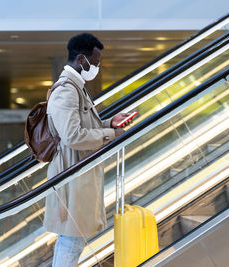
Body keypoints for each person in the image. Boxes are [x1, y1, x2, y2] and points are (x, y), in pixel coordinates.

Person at [44, 33, 133, 266]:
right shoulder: (67, 90)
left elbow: (82, 127)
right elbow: (72, 136)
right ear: (81, 59)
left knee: (72, 238)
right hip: (71, 175)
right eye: (94, 62)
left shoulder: (76, 87)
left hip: (77, 173)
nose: (96, 66)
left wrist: (109, 123)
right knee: (72, 239)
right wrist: (110, 135)